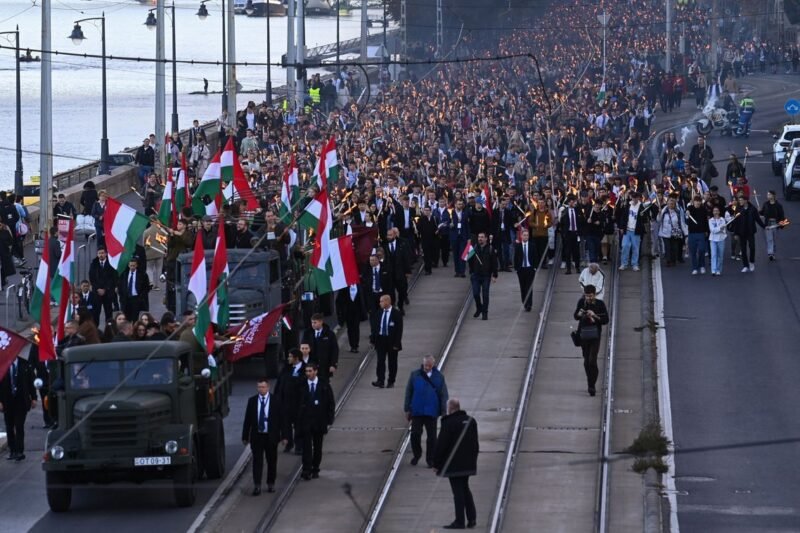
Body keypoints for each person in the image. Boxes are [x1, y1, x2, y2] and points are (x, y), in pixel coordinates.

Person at [433, 398, 479, 530]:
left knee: (458, 492)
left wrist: (437, 463)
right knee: (465, 489)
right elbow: (475, 443)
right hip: (468, 462)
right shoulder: (471, 421)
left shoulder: (448, 423)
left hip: (453, 463)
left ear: (450, 409)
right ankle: (472, 518)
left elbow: (441, 445)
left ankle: (460, 521)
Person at [404, 355, 449, 468]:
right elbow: (408, 392)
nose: (427, 367)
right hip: (417, 411)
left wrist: (444, 411)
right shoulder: (415, 375)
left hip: (431, 411)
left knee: (432, 437)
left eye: (429, 365)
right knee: (415, 434)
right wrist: (407, 408)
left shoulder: (439, 377)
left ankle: (431, 459)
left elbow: (444, 395)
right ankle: (417, 454)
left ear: (433, 365)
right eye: (425, 365)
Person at [242, 377, 285, 495]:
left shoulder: (276, 400)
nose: (261, 389)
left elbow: (282, 419)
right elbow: (247, 420)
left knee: (271, 461)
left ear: (268, 387)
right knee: (257, 461)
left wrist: (284, 436)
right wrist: (245, 436)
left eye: (263, 387)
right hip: (257, 436)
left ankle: (271, 483)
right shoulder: (252, 401)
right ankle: (257, 485)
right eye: (259, 387)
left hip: (271, 436)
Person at [297, 363, 335, 480]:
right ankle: (306, 469)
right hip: (306, 421)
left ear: (315, 371)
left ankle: (315, 468)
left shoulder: (324, 385)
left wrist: (329, 419)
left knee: (318, 447)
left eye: (310, 371)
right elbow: (297, 403)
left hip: (319, 421)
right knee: (306, 447)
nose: (308, 373)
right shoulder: (301, 385)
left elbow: (330, 403)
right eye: (306, 371)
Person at [573, 284, 609, 396]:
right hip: (584, 335)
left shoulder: (600, 304)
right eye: (586, 295)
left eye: (590, 296)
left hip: (595, 335)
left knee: (592, 360)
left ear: (595, 294)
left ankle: (591, 385)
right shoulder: (581, 303)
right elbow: (575, 316)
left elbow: (605, 320)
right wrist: (580, 313)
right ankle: (590, 380)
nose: (588, 298)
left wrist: (595, 316)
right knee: (586, 361)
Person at [0, 356, 37, 461]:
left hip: (21, 401)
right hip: (7, 400)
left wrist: (34, 398)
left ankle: (20, 451)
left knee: (19, 425)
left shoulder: (25, 364)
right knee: (9, 426)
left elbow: (31, 381)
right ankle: (12, 451)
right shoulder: (3, 363)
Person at [274, 348, 305, 454]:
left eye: (290, 356)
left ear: (296, 358)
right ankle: (288, 444)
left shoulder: (304, 369)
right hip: (285, 403)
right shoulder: (286, 369)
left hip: (298, 403)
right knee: (285, 425)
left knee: (299, 425)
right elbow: (279, 384)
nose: (288, 358)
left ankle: (299, 446)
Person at [371, 294, 403, 389]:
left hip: (392, 341)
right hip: (381, 340)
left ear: (388, 302)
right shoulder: (379, 312)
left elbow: (399, 330)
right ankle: (380, 380)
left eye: (381, 301)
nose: (380, 303)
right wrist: (373, 340)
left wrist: (396, 344)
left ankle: (391, 381)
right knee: (380, 361)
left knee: (392, 362)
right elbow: (375, 327)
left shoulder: (396, 314)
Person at [468, 231, 499, 320]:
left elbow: (494, 263)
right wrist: (472, 271)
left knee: (485, 294)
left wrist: (494, 275)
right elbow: (470, 260)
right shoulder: (474, 248)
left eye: (482, 237)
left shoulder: (490, 249)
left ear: (486, 238)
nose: (480, 239)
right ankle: (479, 308)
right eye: (479, 237)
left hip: (486, 275)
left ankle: (485, 312)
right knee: (476, 293)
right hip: (476, 275)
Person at [730, 194, 764, 272]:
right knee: (743, 249)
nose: (740, 201)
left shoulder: (753, 209)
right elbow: (736, 222)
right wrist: (735, 233)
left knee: (752, 247)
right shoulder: (738, 209)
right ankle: (745, 265)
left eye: (741, 200)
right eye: (739, 200)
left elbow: (758, 219)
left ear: (746, 201)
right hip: (741, 233)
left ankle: (751, 262)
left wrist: (764, 226)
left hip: (750, 232)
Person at [615, 191, 647, 271]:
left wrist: (643, 216)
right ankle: (624, 263)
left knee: (635, 247)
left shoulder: (642, 207)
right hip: (627, 230)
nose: (634, 199)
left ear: (638, 198)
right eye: (633, 197)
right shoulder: (628, 205)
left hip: (636, 231)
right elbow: (623, 217)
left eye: (636, 198)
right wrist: (622, 227)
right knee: (625, 246)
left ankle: (635, 264)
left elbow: (645, 219)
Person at [301, 313, 339, 382]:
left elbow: (334, 350)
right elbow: (303, 347)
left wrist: (333, 364)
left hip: (325, 367)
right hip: (311, 366)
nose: (313, 324)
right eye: (312, 322)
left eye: (315, 322)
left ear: (321, 322)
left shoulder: (329, 334)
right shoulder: (307, 333)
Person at [335, 281, 367, 353]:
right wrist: (340, 313)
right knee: (350, 328)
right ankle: (352, 345)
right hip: (348, 311)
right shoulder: (344, 287)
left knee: (356, 327)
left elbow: (364, 297)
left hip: (357, 311)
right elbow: (339, 300)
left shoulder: (360, 286)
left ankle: (355, 346)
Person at [118, 257, 150, 322]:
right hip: (126, 300)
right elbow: (120, 286)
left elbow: (146, 287)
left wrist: (141, 297)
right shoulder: (124, 274)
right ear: (128, 265)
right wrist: (121, 295)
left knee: (136, 319)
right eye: (131, 265)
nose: (132, 267)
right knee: (126, 319)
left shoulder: (142, 275)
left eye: (134, 265)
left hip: (136, 299)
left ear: (136, 265)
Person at [513, 229, 538, 312]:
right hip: (521, 270)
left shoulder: (532, 245)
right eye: (524, 235)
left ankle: (529, 304)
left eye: (527, 235)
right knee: (523, 287)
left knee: (529, 287)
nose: (525, 237)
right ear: (521, 236)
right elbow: (516, 258)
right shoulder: (518, 246)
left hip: (530, 269)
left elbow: (535, 257)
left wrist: (534, 268)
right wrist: (517, 269)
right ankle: (524, 302)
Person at [759, 191, 786, 261]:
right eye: (767, 194)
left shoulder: (778, 205)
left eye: (769, 194)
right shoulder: (765, 204)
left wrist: (781, 223)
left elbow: (782, 215)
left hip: (775, 224)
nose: (768, 196)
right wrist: (759, 211)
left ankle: (773, 252)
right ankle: (770, 253)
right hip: (768, 224)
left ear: (773, 196)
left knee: (773, 239)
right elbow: (762, 213)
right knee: (769, 239)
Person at [708, 206, 731, 276]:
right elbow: (712, 230)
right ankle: (713, 270)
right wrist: (719, 228)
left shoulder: (722, 220)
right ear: (713, 212)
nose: (715, 212)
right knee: (713, 255)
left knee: (720, 255)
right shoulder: (710, 220)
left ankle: (718, 269)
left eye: (717, 211)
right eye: (714, 211)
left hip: (721, 239)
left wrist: (719, 229)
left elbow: (723, 230)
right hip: (713, 239)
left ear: (719, 212)